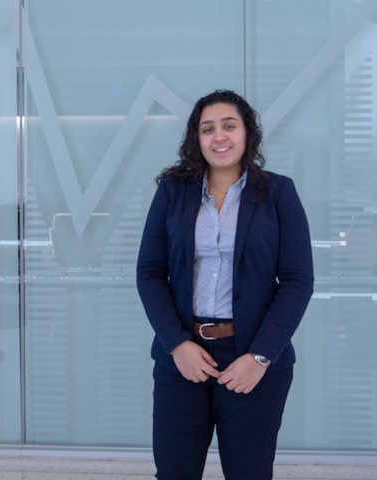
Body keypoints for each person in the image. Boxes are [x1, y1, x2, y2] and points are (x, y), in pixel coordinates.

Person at [136, 90, 314, 480]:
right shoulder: (172, 191)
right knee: (174, 472)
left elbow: (298, 281)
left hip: (250, 356)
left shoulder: (278, 193)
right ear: (196, 140)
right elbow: (150, 272)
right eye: (208, 129)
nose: (219, 137)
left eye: (229, 126)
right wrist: (177, 344)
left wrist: (261, 356)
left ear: (247, 133)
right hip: (183, 356)